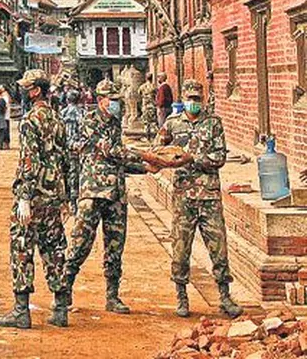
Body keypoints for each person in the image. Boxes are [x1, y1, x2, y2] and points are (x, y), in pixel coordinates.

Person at [63, 79, 165, 314]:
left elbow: (117, 162)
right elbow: (112, 151)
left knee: (115, 247)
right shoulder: (90, 121)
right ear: (101, 100)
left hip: (116, 194)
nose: (117, 104)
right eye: (113, 100)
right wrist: (146, 155)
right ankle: (64, 291)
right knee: (80, 244)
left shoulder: (114, 123)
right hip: (93, 193)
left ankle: (112, 296)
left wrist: (145, 168)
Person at [159, 79, 242, 318]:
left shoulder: (213, 123)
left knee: (218, 248)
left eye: (197, 99)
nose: (194, 103)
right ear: (183, 99)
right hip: (183, 196)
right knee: (180, 247)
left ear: (202, 99)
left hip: (209, 196)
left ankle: (225, 296)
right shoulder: (172, 124)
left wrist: (191, 159)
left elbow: (219, 157)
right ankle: (181, 296)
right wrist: (166, 157)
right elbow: (160, 149)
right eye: (190, 98)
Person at [0, 69, 71, 329]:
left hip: (34, 196)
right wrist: (66, 197)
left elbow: (29, 160)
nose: (24, 93)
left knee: (21, 250)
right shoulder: (57, 119)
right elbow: (66, 159)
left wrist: (24, 197)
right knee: (55, 251)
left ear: (36, 90)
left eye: (27, 88)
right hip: (54, 196)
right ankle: (61, 309)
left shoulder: (31, 120)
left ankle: (21, 311)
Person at [60, 89, 86, 207]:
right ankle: (75, 201)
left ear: (67, 99)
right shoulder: (83, 113)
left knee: (65, 173)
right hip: (78, 148)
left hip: (64, 148)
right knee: (76, 173)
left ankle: (68, 198)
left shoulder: (62, 113)